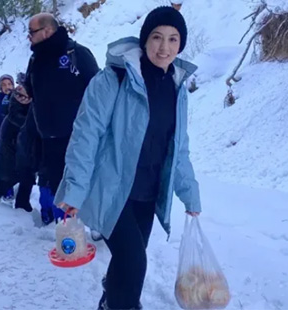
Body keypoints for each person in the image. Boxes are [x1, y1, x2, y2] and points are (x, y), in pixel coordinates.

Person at [53, 7, 201, 310]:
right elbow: (86, 135)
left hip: (148, 191)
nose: (164, 47)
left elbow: (178, 148)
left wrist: (190, 194)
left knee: (129, 259)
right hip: (111, 189)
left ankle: (111, 299)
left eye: (173, 39)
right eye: (157, 37)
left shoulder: (177, 87)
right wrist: (75, 188)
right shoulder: (114, 79)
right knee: (134, 261)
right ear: (145, 39)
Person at [23, 12, 100, 224]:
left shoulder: (77, 53)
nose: (28, 37)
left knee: (85, 181)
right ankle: (67, 230)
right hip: (47, 135)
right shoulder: (35, 57)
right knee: (57, 184)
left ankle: (95, 224)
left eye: (32, 32)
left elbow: (100, 90)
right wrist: (24, 93)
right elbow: (30, 87)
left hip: (78, 135)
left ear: (47, 31)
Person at [0, 84, 35, 211]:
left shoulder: (36, 106)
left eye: (27, 96)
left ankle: (23, 205)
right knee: (7, 174)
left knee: (29, 174)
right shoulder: (12, 106)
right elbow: (17, 119)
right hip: (11, 143)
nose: (23, 99)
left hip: (29, 146)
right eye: (20, 96)